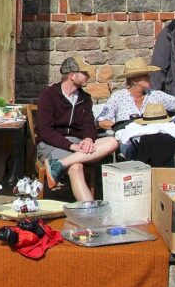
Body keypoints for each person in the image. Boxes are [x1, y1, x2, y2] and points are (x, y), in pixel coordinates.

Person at [36, 56, 119, 201]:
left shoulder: (85, 98)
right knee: (76, 167)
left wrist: (88, 138)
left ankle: (59, 165)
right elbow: (45, 131)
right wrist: (71, 146)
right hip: (51, 144)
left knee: (113, 142)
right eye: (84, 73)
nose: (88, 76)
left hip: (77, 143)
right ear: (72, 75)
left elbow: (88, 124)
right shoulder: (49, 95)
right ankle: (90, 210)